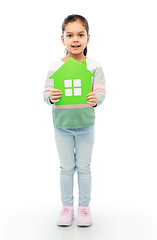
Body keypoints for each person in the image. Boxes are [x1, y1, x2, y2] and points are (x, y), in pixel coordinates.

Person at [43, 14, 106, 227]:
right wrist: (49, 97)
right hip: (62, 126)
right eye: (70, 35)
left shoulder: (94, 67)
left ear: (88, 38)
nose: (75, 39)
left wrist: (96, 98)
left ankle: (84, 207)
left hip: (86, 126)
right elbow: (46, 93)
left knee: (84, 167)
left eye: (80, 34)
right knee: (66, 168)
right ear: (63, 39)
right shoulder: (55, 67)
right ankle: (67, 208)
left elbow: (100, 91)